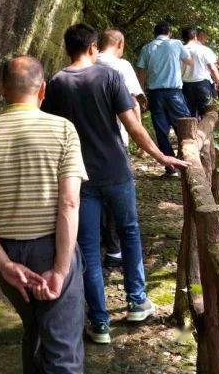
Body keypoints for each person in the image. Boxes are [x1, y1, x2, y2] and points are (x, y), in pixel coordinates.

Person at [43, 24, 189, 345]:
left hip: (78, 176)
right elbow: (133, 127)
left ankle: (99, 323)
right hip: (116, 171)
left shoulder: (56, 83)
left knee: (91, 249)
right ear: (93, 47)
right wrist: (161, 157)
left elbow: (49, 132)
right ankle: (137, 301)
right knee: (129, 232)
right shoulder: (108, 77)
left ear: (68, 48)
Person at [0, 55, 88, 373]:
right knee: (63, 352)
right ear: (43, 89)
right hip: (52, 248)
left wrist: (4, 265)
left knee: (34, 332)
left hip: (7, 251)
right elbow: (69, 203)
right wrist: (60, 269)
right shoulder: (63, 131)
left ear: (1, 89)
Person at [94, 28, 146, 268]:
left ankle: (95, 246)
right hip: (116, 139)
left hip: (86, 141)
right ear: (120, 44)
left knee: (92, 195)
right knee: (117, 196)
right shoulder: (122, 66)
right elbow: (134, 102)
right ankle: (115, 250)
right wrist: (141, 138)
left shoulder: (87, 62)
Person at [136, 21, 194, 178]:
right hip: (174, 93)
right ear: (169, 32)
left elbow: (140, 72)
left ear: (155, 34)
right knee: (183, 125)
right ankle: (189, 163)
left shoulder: (147, 48)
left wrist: (141, 93)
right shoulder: (175, 44)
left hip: (155, 94)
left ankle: (171, 168)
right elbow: (190, 61)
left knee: (161, 131)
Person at [181, 26, 219, 118]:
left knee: (190, 114)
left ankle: (193, 132)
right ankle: (205, 132)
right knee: (207, 113)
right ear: (195, 36)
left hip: (185, 85)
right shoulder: (203, 49)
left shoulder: (179, 50)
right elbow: (212, 67)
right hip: (202, 85)